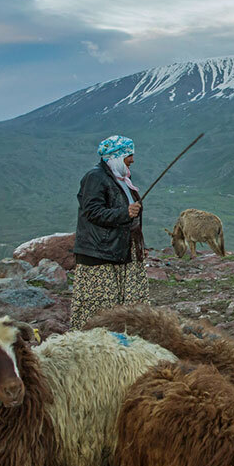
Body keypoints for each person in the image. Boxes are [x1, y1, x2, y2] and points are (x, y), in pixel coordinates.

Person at [69, 135, 149, 330]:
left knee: (125, 305)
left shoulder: (121, 179)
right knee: (99, 307)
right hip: (100, 254)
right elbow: (92, 212)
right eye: (129, 155)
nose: (132, 160)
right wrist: (125, 212)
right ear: (116, 155)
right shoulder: (95, 177)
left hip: (120, 251)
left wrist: (138, 245)